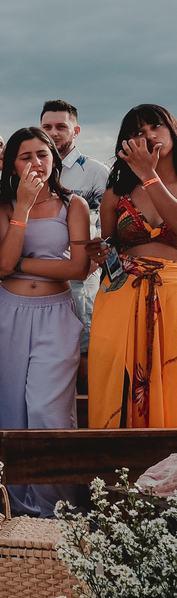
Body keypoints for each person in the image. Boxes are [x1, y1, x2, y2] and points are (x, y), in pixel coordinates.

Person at [0, 127, 90, 517]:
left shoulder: (73, 205)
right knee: (11, 410)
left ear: (54, 159)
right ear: (12, 165)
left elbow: (78, 268)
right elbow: (3, 259)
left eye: (42, 154)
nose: (36, 163)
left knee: (50, 412)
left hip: (56, 315)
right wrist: (24, 208)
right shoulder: (3, 207)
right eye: (25, 156)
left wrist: (16, 266)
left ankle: (58, 510)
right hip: (9, 314)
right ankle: (15, 509)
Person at [88, 104, 177, 428]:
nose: (149, 136)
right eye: (138, 132)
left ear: (173, 130)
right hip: (121, 295)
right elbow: (110, 248)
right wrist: (102, 253)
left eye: (155, 126)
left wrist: (149, 175)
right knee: (117, 379)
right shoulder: (116, 194)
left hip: (174, 295)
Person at [41, 100, 110, 392]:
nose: (53, 132)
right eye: (47, 127)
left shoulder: (95, 172)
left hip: (83, 279)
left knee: (84, 352)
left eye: (61, 126)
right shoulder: (32, 168)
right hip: (41, 278)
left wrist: (90, 264)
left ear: (76, 131)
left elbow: (110, 226)